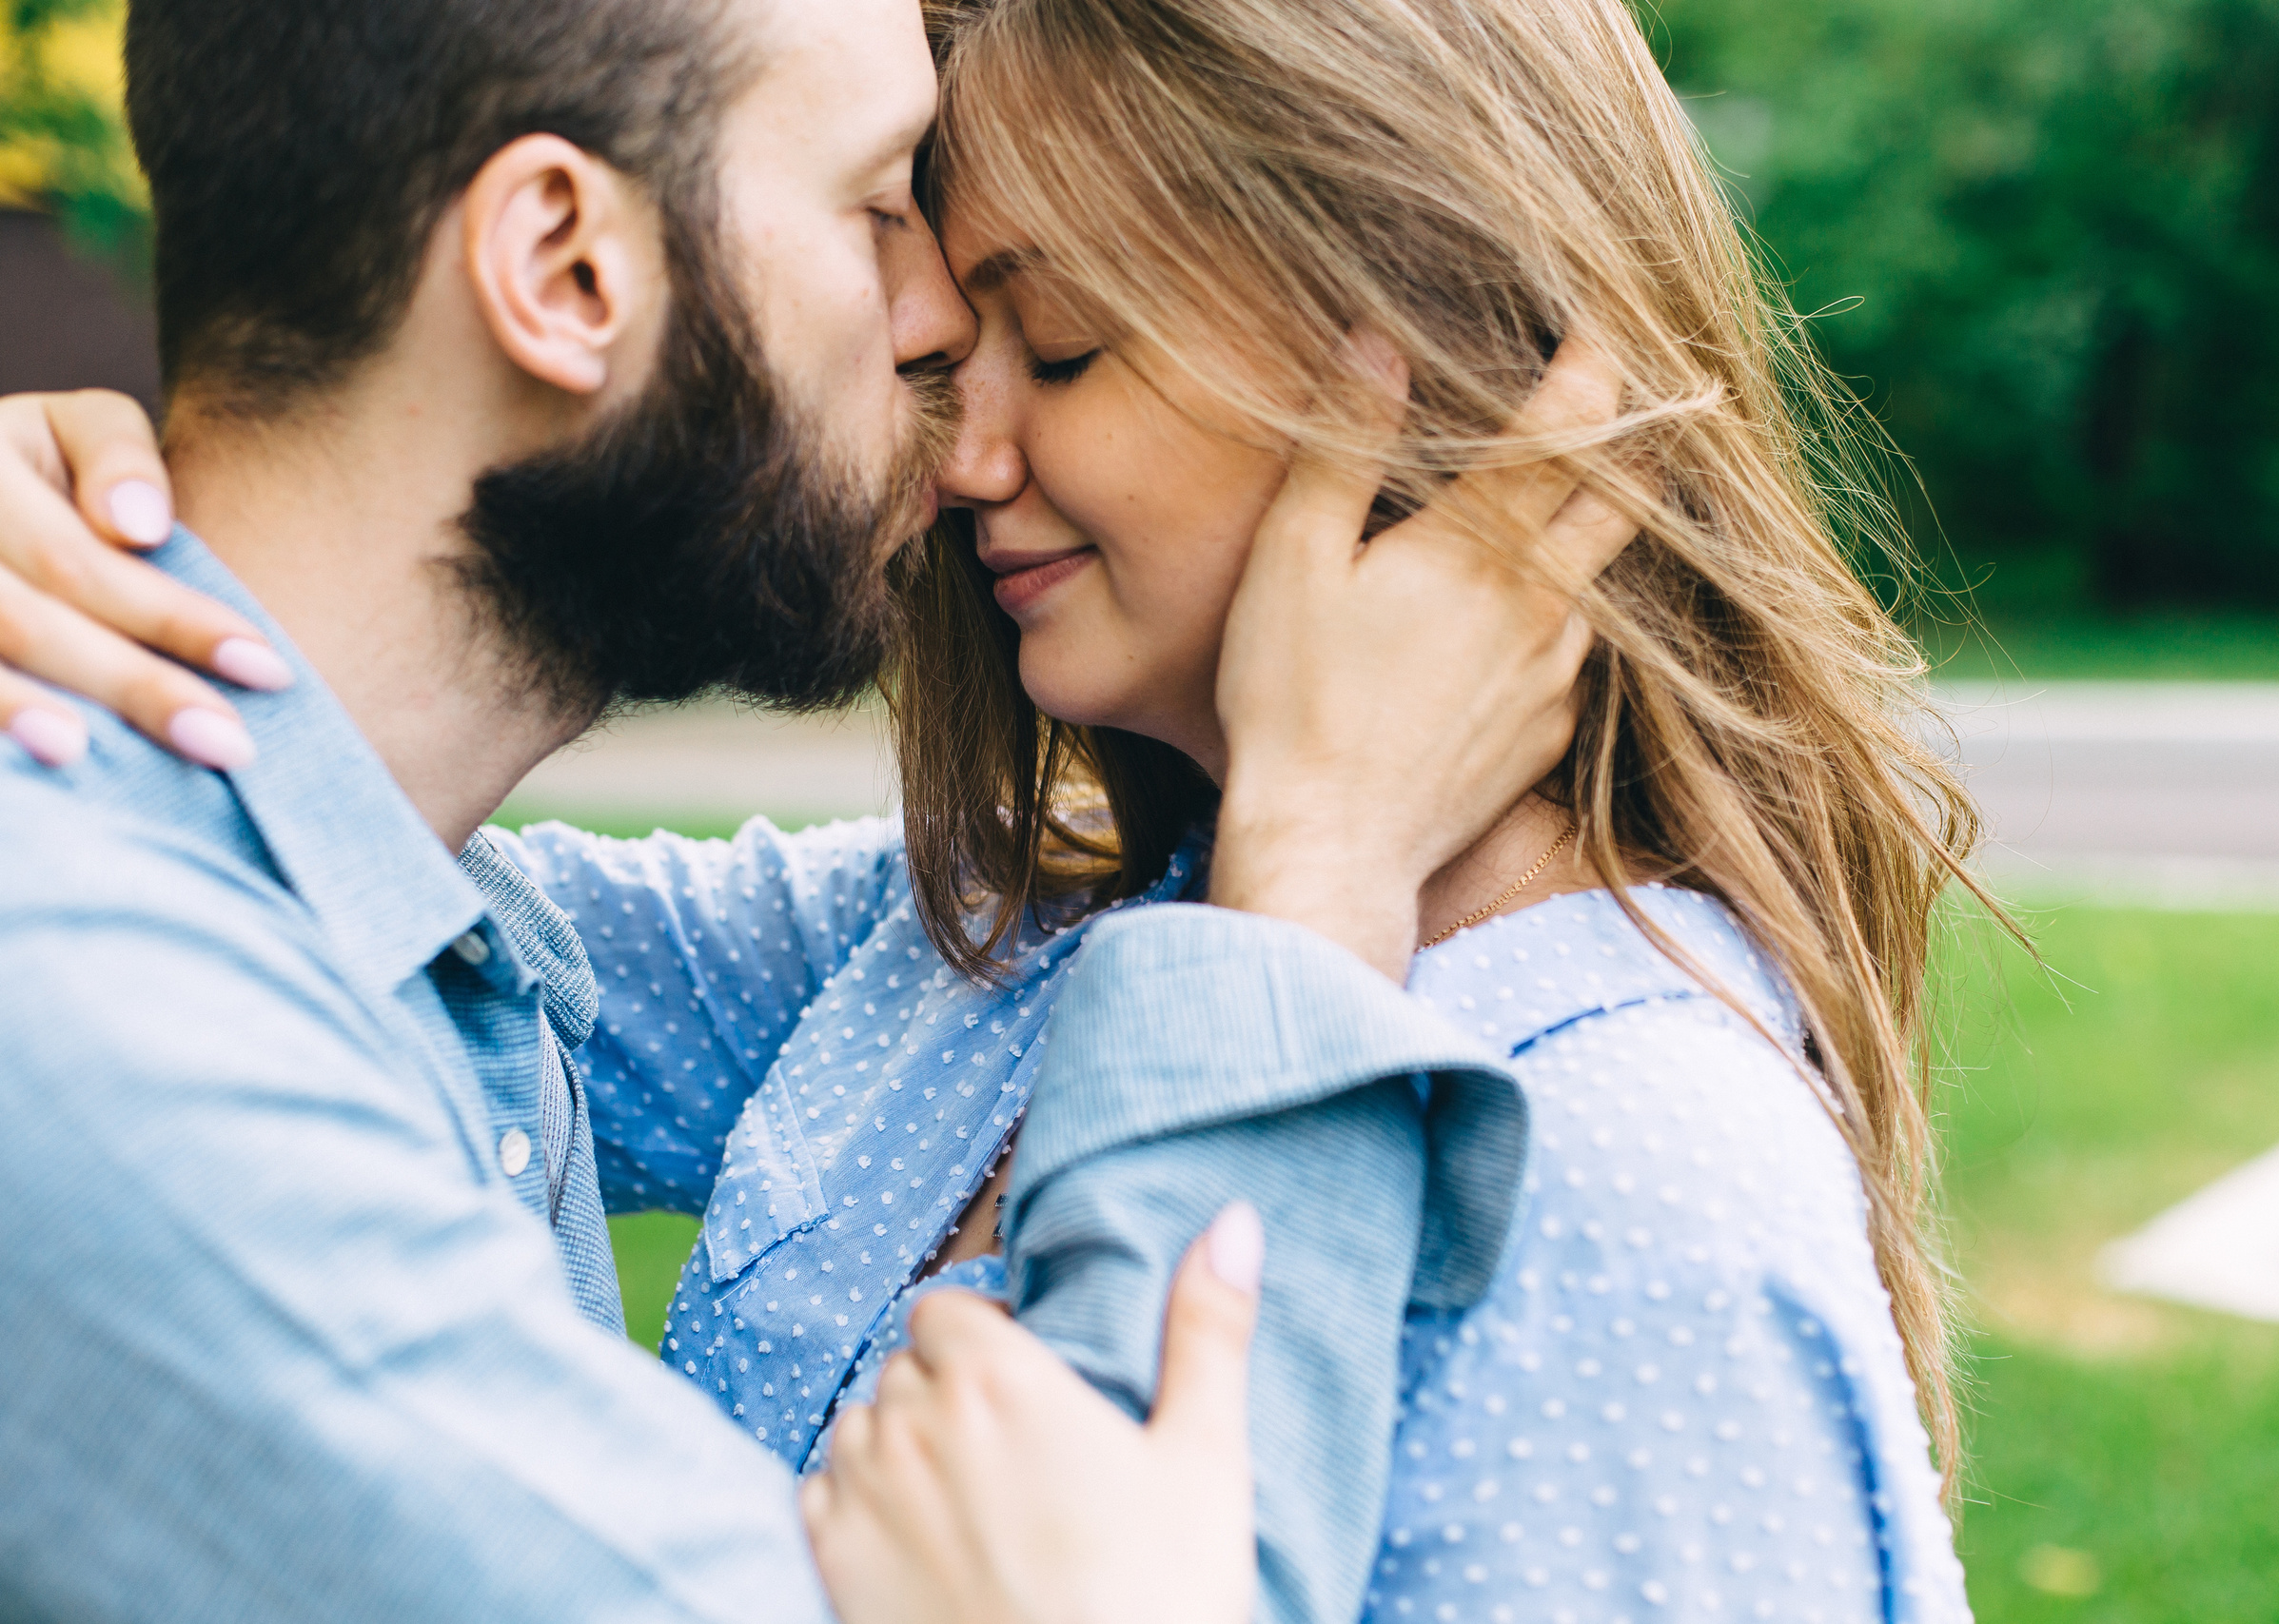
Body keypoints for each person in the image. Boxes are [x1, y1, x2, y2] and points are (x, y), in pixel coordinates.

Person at [0, 0, 1994, 1619]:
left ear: (1429, 362)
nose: (942, 378)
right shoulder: (1001, 951)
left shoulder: (1632, 1180)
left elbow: (359, 869)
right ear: (561, 263)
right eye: (881, 214)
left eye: (1056, 333)